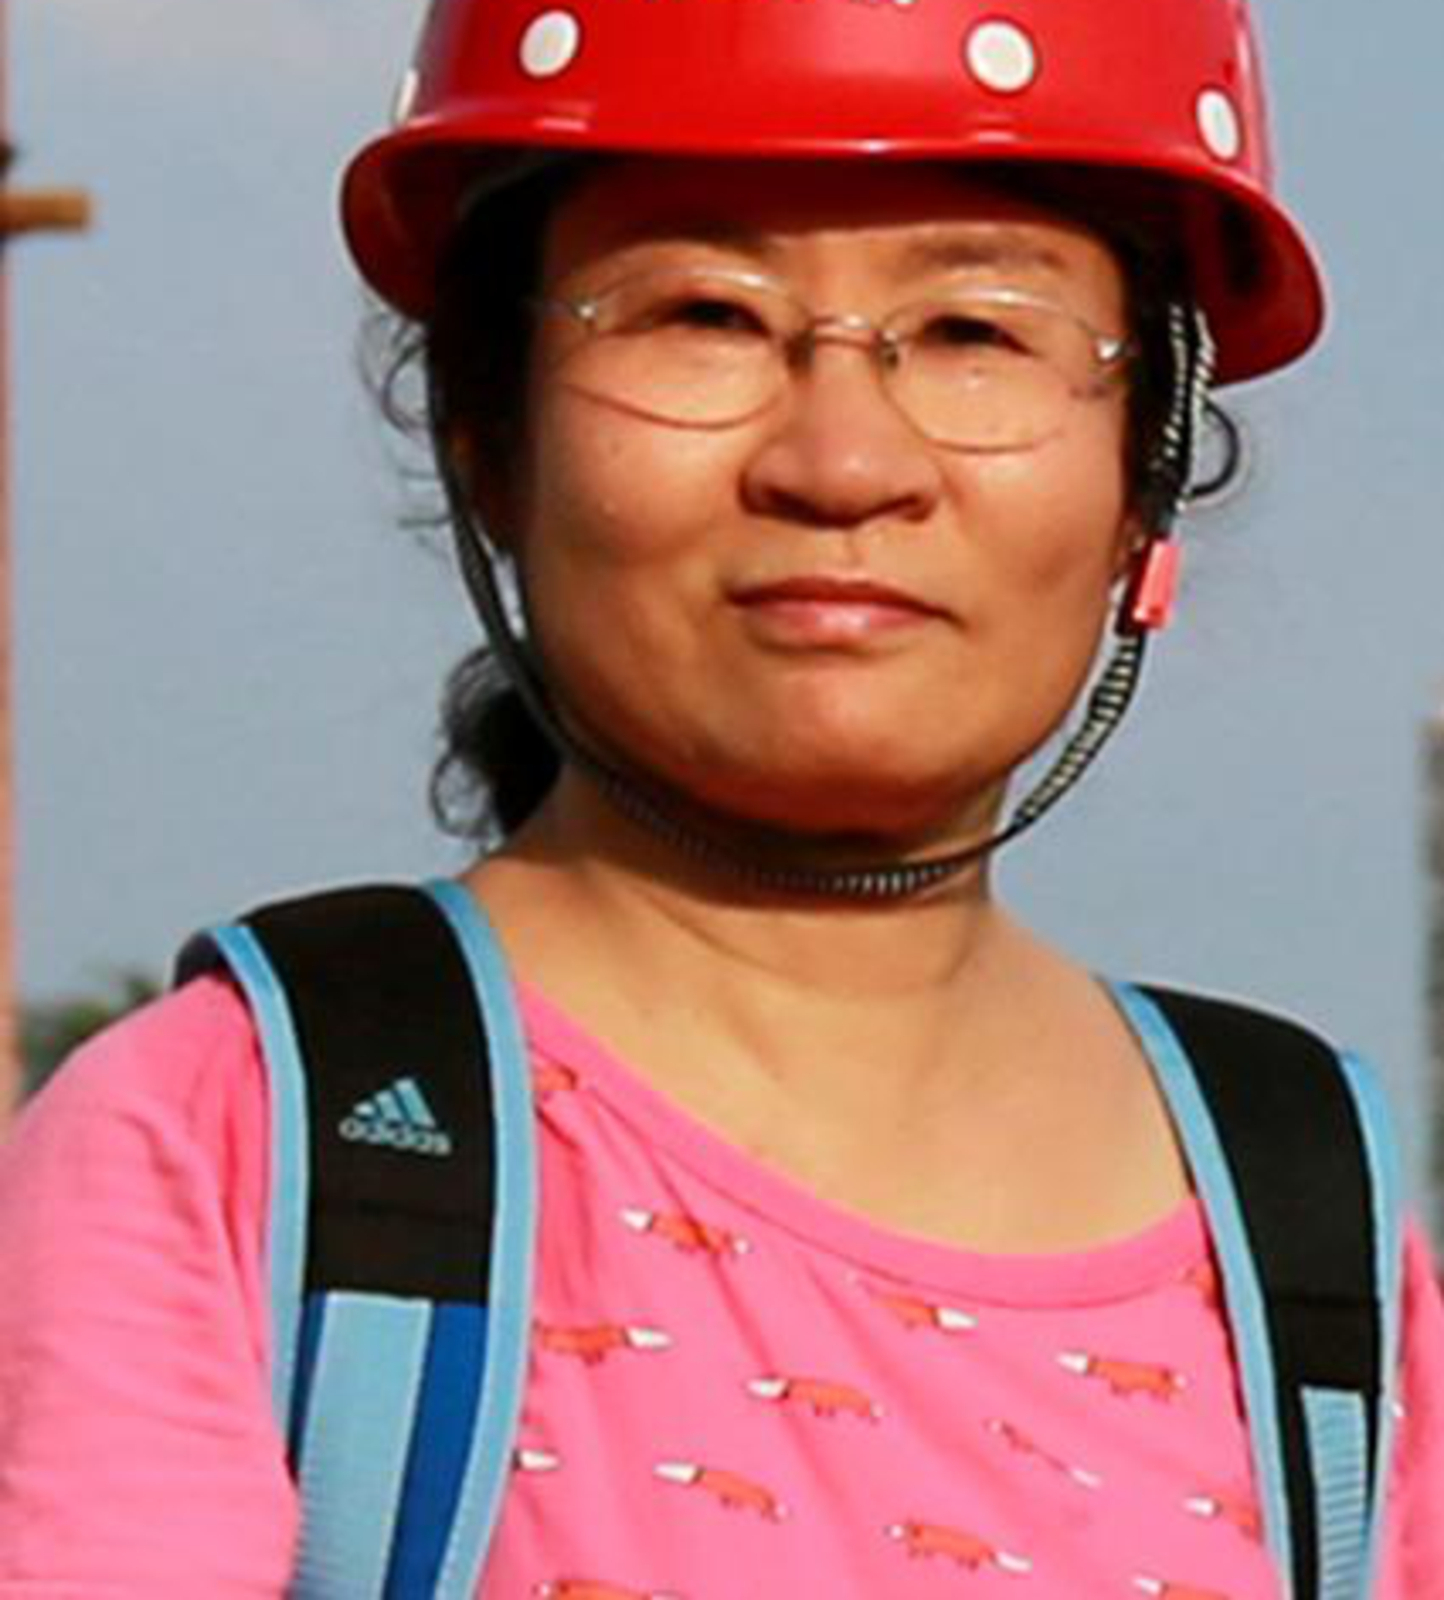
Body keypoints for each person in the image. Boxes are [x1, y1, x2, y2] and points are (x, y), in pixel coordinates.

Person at [1, 0, 1441, 1595]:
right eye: (705, 315)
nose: (843, 463)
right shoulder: (237, 1145)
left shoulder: (1310, 1240)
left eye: (976, 334)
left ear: (1143, 480)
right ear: (490, 436)